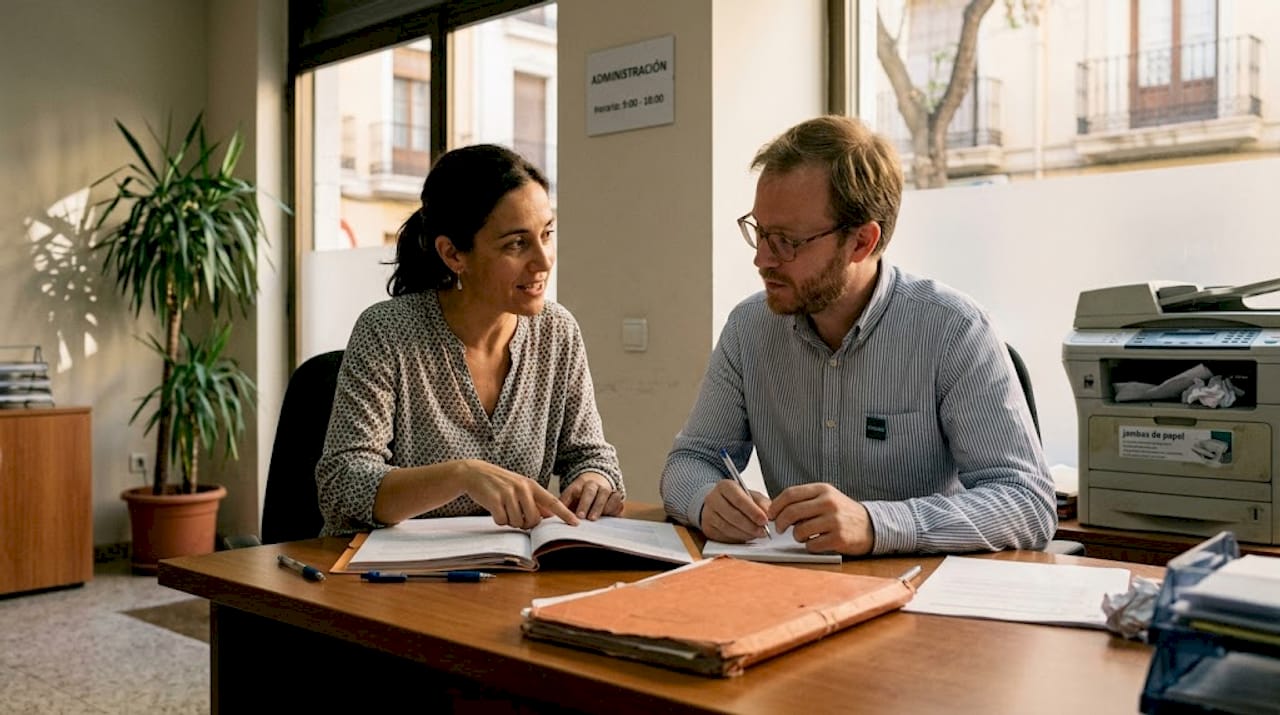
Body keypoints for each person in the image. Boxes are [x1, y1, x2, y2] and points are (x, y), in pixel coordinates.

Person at [660, 116, 1056, 556]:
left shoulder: (953, 330)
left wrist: (875, 524)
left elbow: (1027, 503)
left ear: (862, 242)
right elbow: (690, 462)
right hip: (791, 585)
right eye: (761, 232)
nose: (762, 260)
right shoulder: (749, 328)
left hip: (916, 585)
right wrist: (705, 501)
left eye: (787, 241)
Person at [317, 144, 624, 537]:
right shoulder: (386, 332)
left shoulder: (557, 333)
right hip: (390, 571)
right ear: (453, 255)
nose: (544, 260)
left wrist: (594, 479)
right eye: (516, 243)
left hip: (509, 567)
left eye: (547, 234)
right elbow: (343, 484)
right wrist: (461, 475)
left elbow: (590, 454)